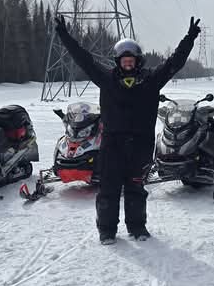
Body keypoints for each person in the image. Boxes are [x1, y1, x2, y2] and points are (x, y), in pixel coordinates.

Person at [54, 14, 201, 244]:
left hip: (141, 145)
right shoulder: (106, 78)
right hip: (112, 144)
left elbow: (174, 63)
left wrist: (189, 38)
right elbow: (84, 59)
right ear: (118, 62)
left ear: (138, 61)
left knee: (136, 187)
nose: (128, 64)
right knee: (108, 189)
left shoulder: (151, 80)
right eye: (124, 61)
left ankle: (137, 227)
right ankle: (107, 230)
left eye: (131, 60)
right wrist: (64, 35)